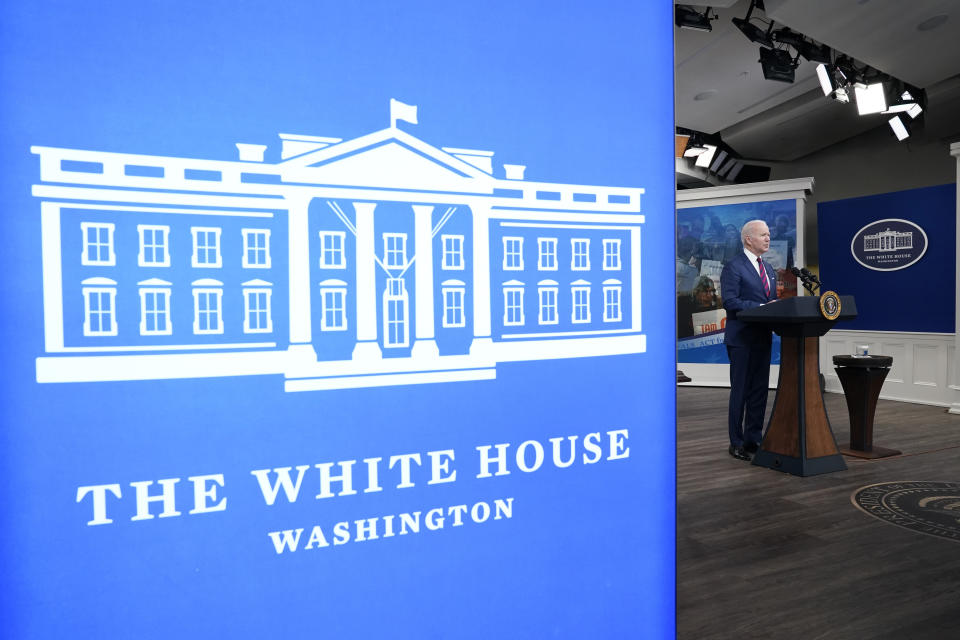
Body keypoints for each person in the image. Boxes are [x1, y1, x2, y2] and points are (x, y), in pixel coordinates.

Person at [720, 220, 777, 461]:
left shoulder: (770, 269)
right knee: (741, 392)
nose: (768, 238)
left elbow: (772, 302)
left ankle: (754, 439)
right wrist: (763, 307)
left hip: (763, 339)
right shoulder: (733, 266)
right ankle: (736, 442)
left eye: (769, 235)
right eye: (763, 235)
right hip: (741, 339)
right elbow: (730, 302)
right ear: (748, 239)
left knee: (759, 392)